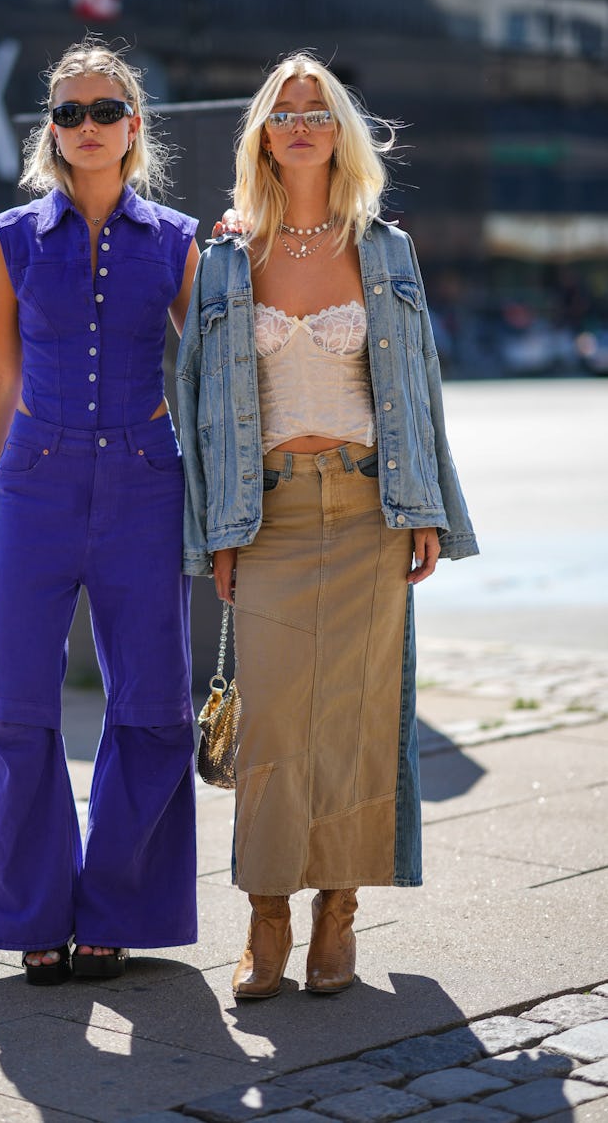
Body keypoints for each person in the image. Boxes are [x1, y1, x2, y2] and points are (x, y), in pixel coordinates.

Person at [177, 52, 478, 1000]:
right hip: (264, 513)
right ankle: (266, 918)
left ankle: (336, 913)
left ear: (340, 132)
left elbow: (418, 389)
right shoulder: (227, 254)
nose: (300, 123)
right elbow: (197, 404)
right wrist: (215, 532)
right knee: (271, 722)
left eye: (316, 109)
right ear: (262, 135)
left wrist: (428, 511)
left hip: (366, 509)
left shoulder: (385, 248)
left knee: (351, 721)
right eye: (283, 111)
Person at [0, 39, 200, 985]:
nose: (87, 127)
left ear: (134, 126)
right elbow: (0, 371)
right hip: (35, 484)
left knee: (151, 703)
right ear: (50, 131)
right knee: (19, 701)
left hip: (147, 482)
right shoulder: (11, 235)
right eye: (69, 113)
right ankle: (30, 909)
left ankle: (119, 909)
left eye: (105, 110)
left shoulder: (182, 240)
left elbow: (212, 371)